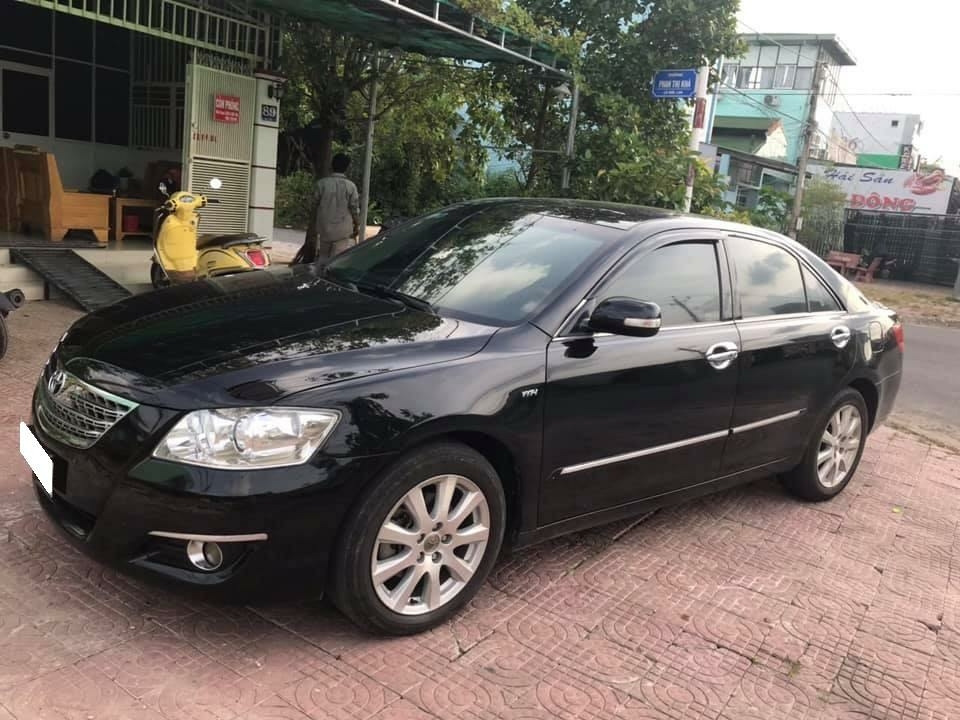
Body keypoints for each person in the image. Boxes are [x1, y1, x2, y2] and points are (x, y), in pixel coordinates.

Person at [297, 154, 360, 264]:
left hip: (324, 228)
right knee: (336, 261)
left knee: (323, 258)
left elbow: (314, 206)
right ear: (347, 168)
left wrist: (313, 224)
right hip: (343, 230)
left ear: (332, 166)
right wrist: (356, 223)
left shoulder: (321, 184)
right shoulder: (351, 186)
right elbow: (354, 208)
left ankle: (320, 277)